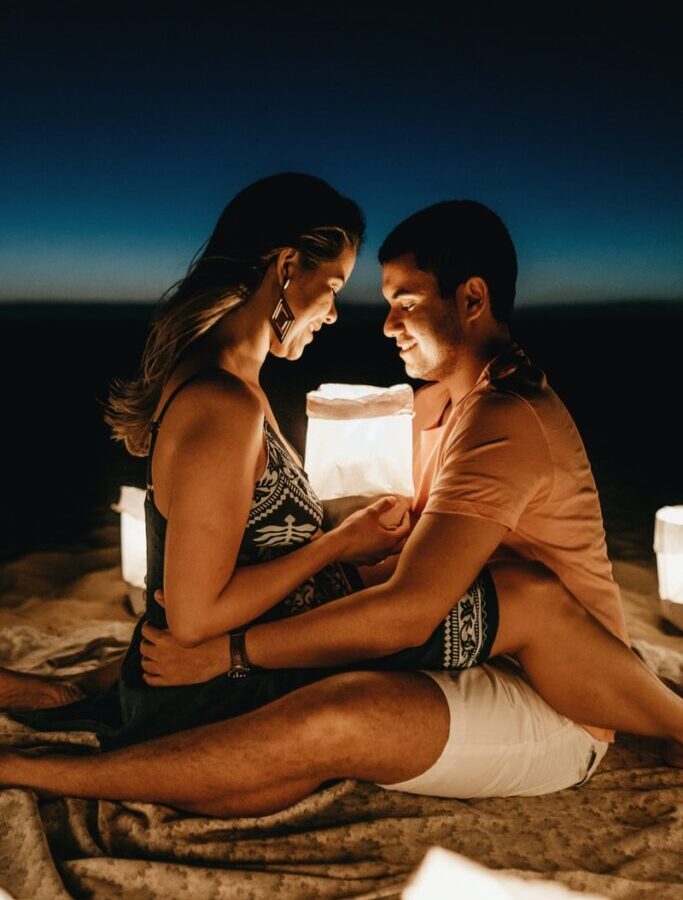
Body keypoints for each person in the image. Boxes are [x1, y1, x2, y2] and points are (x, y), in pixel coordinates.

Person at [2, 193, 682, 816]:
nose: (377, 322)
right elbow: (387, 586)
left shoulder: (501, 413)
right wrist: (340, 549)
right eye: (343, 290)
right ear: (284, 267)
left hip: (554, 695)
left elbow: (410, 606)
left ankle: (43, 763)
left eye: (405, 300)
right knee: (364, 648)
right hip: (476, 649)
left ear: (471, 298)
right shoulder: (426, 405)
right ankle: (67, 720)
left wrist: (236, 650)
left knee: (365, 688)